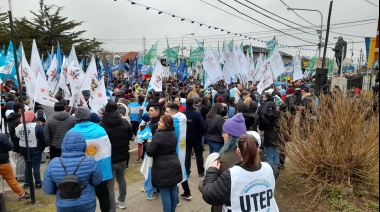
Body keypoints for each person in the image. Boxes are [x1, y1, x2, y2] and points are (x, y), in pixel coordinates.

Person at [202, 134, 279, 212]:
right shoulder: (271, 169)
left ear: (238, 151)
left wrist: (212, 171)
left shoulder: (231, 175)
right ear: (258, 150)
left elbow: (209, 195)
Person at [43, 132, 103, 212]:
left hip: (63, 203)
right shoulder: (90, 161)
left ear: (63, 144)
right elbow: (97, 181)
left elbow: (48, 189)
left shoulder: (53, 163)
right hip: (86, 201)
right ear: (83, 145)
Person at [69, 106, 113, 212]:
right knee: (103, 194)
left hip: (80, 172)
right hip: (100, 170)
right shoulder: (100, 129)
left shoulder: (71, 133)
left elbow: (68, 154)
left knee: (83, 197)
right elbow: (107, 149)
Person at [99, 102, 133, 211]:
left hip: (109, 157)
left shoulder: (101, 125)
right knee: (121, 178)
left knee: (110, 185)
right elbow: (130, 136)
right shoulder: (124, 122)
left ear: (106, 110)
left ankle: (112, 208)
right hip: (123, 156)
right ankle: (122, 201)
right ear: (117, 109)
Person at [146, 115, 183, 212]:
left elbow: (150, 152)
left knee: (165, 192)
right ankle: (172, 210)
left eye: (161, 122)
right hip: (174, 163)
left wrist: (148, 143)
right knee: (173, 189)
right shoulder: (173, 134)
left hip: (162, 167)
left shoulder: (158, 136)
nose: (158, 122)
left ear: (166, 124)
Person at [15, 110, 43, 189]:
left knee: (27, 166)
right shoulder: (37, 126)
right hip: (35, 147)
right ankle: (38, 183)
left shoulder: (19, 126)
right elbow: (42, 137)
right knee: (36, 166)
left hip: (23, 148)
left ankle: (26, 182)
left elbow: (16, 137)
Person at [0, 132, 30, 201]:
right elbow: (10, 147)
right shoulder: (2, 136)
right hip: (3, 162)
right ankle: (22, 194)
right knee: (11, 180)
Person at [182, 99, 206, 177]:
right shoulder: (196, 114)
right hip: (196, 138)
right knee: (198, 155)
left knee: (187, 155)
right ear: (193, 104)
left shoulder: (183, 114)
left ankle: (187, 171)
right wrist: (201, 135)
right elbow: (202, 126)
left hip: (186, 137)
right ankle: (200, 171)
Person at [259, 102, 281, 167]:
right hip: (278, 136)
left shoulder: (264, 116)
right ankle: (276, 169)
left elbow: (261, 128)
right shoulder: (279, 115)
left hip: (268, 136)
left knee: (269, 156)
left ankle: (271, 171)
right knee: (276, 155)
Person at [7, 102, 24, 182]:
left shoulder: (12, 118)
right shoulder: (18, 120)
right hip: (19, 141)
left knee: (19, 159)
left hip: (15, 141)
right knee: (22, 159)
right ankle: (21, 175)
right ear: (20, 109)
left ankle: (17, 174)